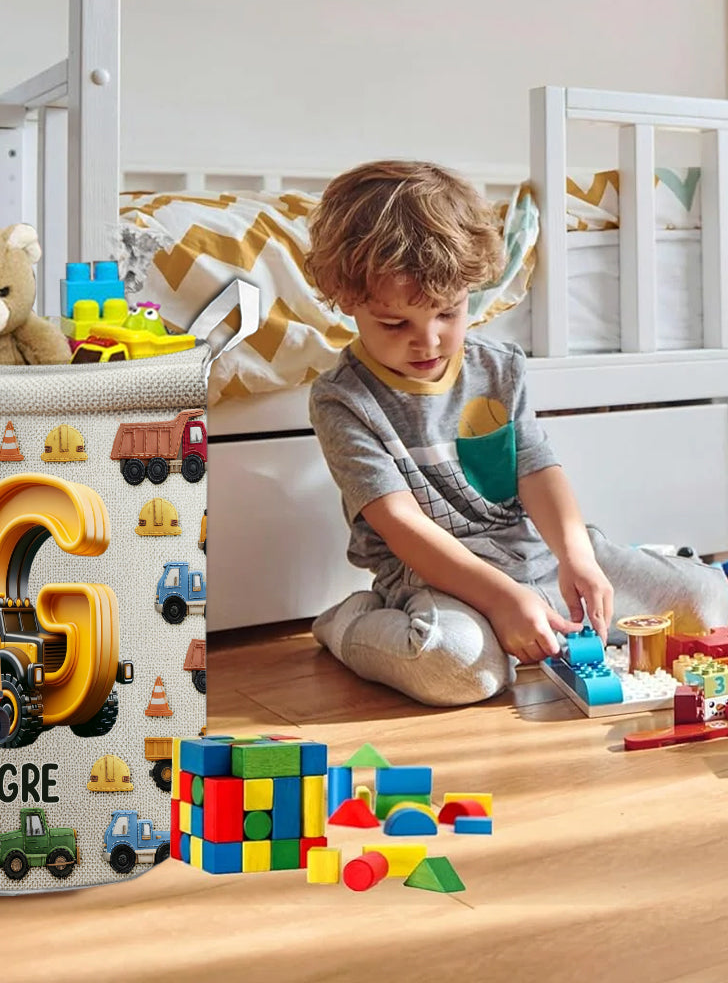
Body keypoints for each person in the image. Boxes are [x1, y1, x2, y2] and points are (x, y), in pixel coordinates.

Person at [304, 159, 728, 706]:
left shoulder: (500, 367)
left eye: (448, 314)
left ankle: (551, 613)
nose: (428, 341)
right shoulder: (343, 399)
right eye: (395, 323)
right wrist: (502, 599)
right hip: (436, 577)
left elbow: (537, 469)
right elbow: (403, 526)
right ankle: (349, 623)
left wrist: (576, 556)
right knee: (460, 669)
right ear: (348, 301)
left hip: (534, 556)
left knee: (707, 601)